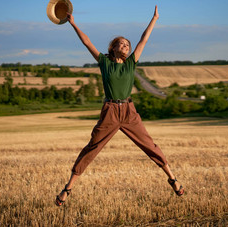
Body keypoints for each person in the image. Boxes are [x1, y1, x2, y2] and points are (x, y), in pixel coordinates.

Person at [55, 5, 184, 206]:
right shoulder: (104, 63)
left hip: (129, 112)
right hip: (110, 112)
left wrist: (155, 19)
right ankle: (68, 188)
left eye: (127, 45)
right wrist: (73, 24)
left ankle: (173, 178)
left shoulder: (132, 63)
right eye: (121, 44)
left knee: (149, 145)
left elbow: (144, 39)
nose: (125, 46)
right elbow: (87, 42)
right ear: (113, 47)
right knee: (93, 147)